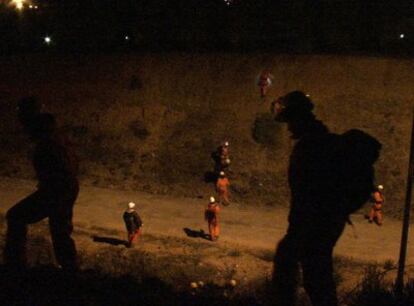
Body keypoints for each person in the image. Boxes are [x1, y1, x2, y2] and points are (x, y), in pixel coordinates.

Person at [271, 91, 381, 306]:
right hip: (327, 220)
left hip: (316, 222)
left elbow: (307, 192)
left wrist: (299, 225)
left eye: (290, 120)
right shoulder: (321, 141)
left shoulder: (311, 146)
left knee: (312, 274)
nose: (289, 127)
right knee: (311, 272)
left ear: (298, 118)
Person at [4, 111, 80, 272]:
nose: (25, 132)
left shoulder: (49, 145)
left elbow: (61, 172)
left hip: (58, 191)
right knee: (60, 230)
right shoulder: (56, 141)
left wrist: (51, 189)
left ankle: (14, 266)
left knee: (16, 217)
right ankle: (70, 269)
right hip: (63, 189)